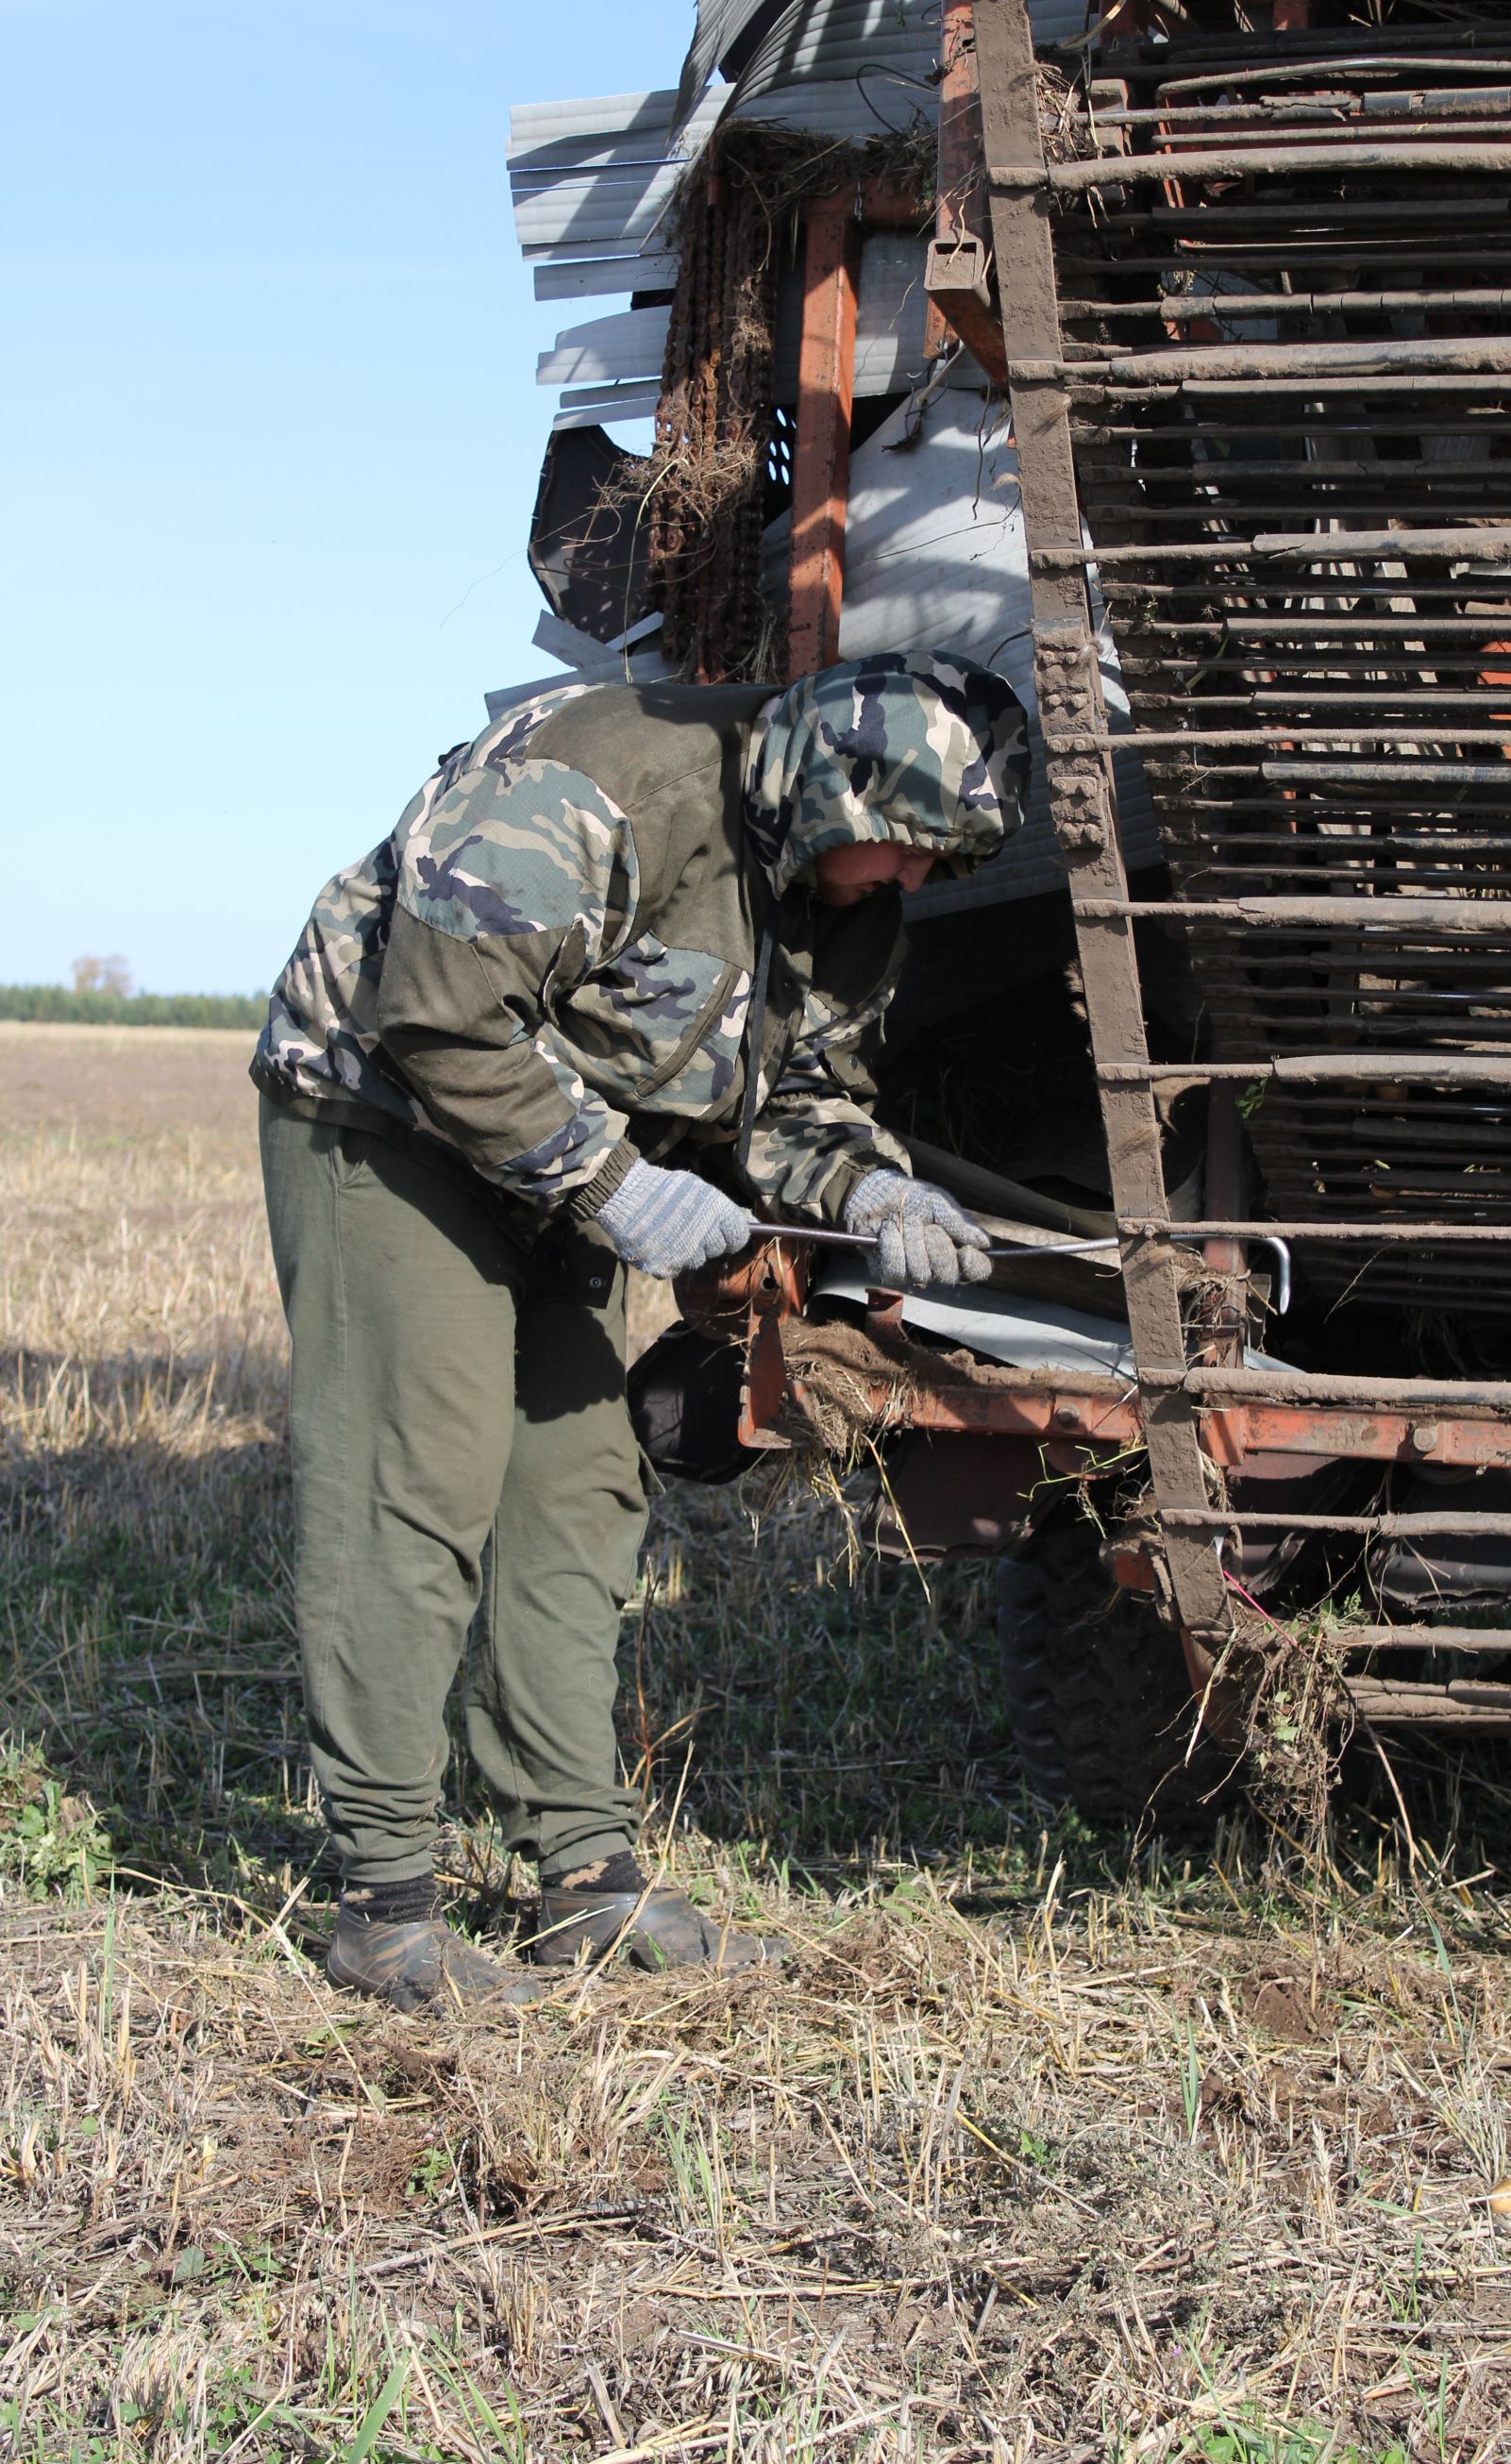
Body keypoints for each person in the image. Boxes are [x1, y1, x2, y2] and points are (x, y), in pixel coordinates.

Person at [252, 647, 1030, 2009]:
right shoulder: (607, 782)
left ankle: (585, 1882)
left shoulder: (845, 890)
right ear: (829, 786)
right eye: (899, 844)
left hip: (582, 1165)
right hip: (388, 1121)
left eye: (933, 856)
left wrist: (875, 1185)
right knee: (417, 1476)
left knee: (579, 1493)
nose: (909, 880)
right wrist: (617, 1188)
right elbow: (434, 1018)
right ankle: (383, 1901)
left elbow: (801, 1102)